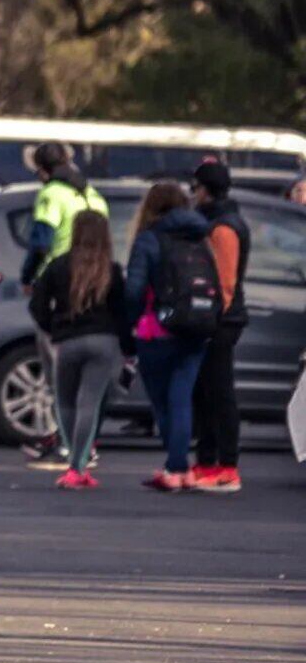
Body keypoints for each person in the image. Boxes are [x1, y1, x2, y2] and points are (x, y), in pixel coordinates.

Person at [28, 211, 134, 490]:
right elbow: (123, 314)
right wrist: (128, 348)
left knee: (64, 401)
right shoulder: (111, 270)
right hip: (104, 341)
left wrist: (53, 328)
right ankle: (78, 466)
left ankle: (71, 457)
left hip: (68, 341)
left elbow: (36, 305)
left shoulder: (58, 266)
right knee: (90, 403)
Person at [20, 142, 108, 467]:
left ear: (42, 170)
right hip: (93, 283)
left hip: (58, 284)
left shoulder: (51, 194)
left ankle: (66, 446)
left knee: (58, 371)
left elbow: (41, 242)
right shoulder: (94, 196)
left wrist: (28, 276)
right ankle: (84, 444)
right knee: (85, 376)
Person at [124, 182, 213, 492]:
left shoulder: (149, 239)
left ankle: (175, 467)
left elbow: (134, 289)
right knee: (182, 399)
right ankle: (181, 467)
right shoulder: (200, 237)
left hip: (156, 330)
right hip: (196, 328)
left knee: (163, 403)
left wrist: (130, 322)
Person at [190, 160, 250, 493]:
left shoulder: (223, 228)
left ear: (206, 190)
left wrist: (211, 321)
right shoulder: (216, 221)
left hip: (220, 322)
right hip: (213, 319)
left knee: (219, 393)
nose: (193, 194)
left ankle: (226, 465)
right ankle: (206, 461)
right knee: (204, 393)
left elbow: (225, 283)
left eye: (196, 188)